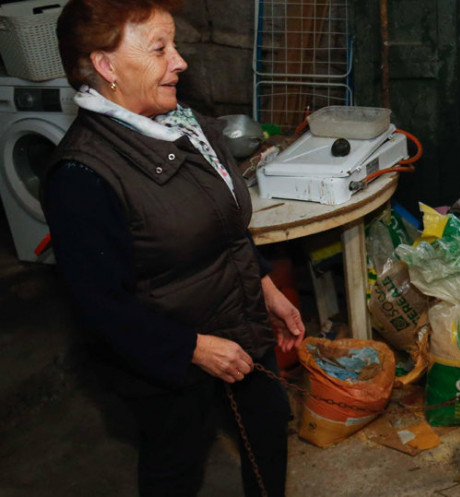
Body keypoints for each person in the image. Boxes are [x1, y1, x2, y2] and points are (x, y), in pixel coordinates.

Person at [42, 1, 305, 495]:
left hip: (240, 319)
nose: (180, 61)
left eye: (175, 45)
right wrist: (194, 349)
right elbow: (102, 308)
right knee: (176, 464)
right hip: (166, 360)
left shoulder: (189, 126)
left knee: (268, 432)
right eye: (160, 48)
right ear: (106, 66)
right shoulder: (81, 176)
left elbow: (226, 224)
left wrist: (265, 283)